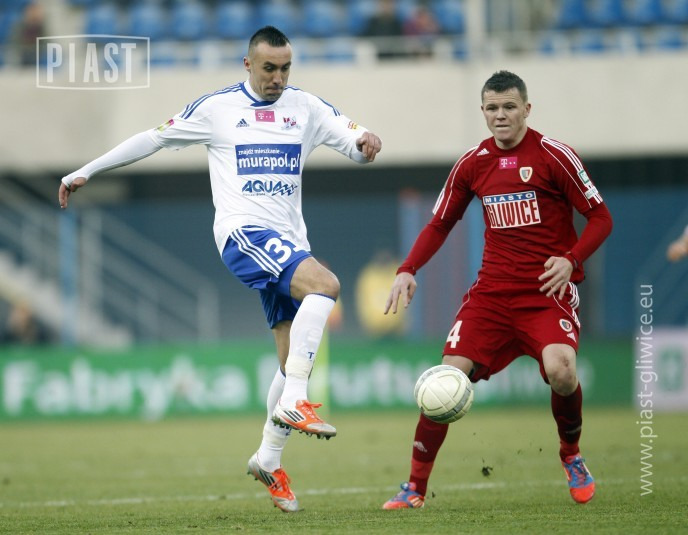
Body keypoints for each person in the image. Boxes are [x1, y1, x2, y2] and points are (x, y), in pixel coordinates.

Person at [58, 26, 382, 513]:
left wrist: (366, 143)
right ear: (248, 64)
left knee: (290, 355)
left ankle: (268, 458)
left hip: (290, 243)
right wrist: (87, 170)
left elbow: (353, 142)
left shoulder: (306, 108)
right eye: (268, 68)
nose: (277, 77)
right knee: (327, 285)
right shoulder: (218, 109)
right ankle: (297, 398)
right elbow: (152, 139)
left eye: (285, 68)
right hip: (243, 234)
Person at [382, 70, 612, 508]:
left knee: (562, 371)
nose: (500, 115)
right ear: (483, 111)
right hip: (491, 295)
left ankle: (571, 454)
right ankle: (414, 487)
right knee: (445, 380)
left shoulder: (555, 156)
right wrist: (408, 268)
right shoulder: (473, 163)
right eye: (492, 108)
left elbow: (601, 218)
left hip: (546, 294)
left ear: (527, 109)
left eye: (509, 107)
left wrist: (571, 259)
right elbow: (439, 223)